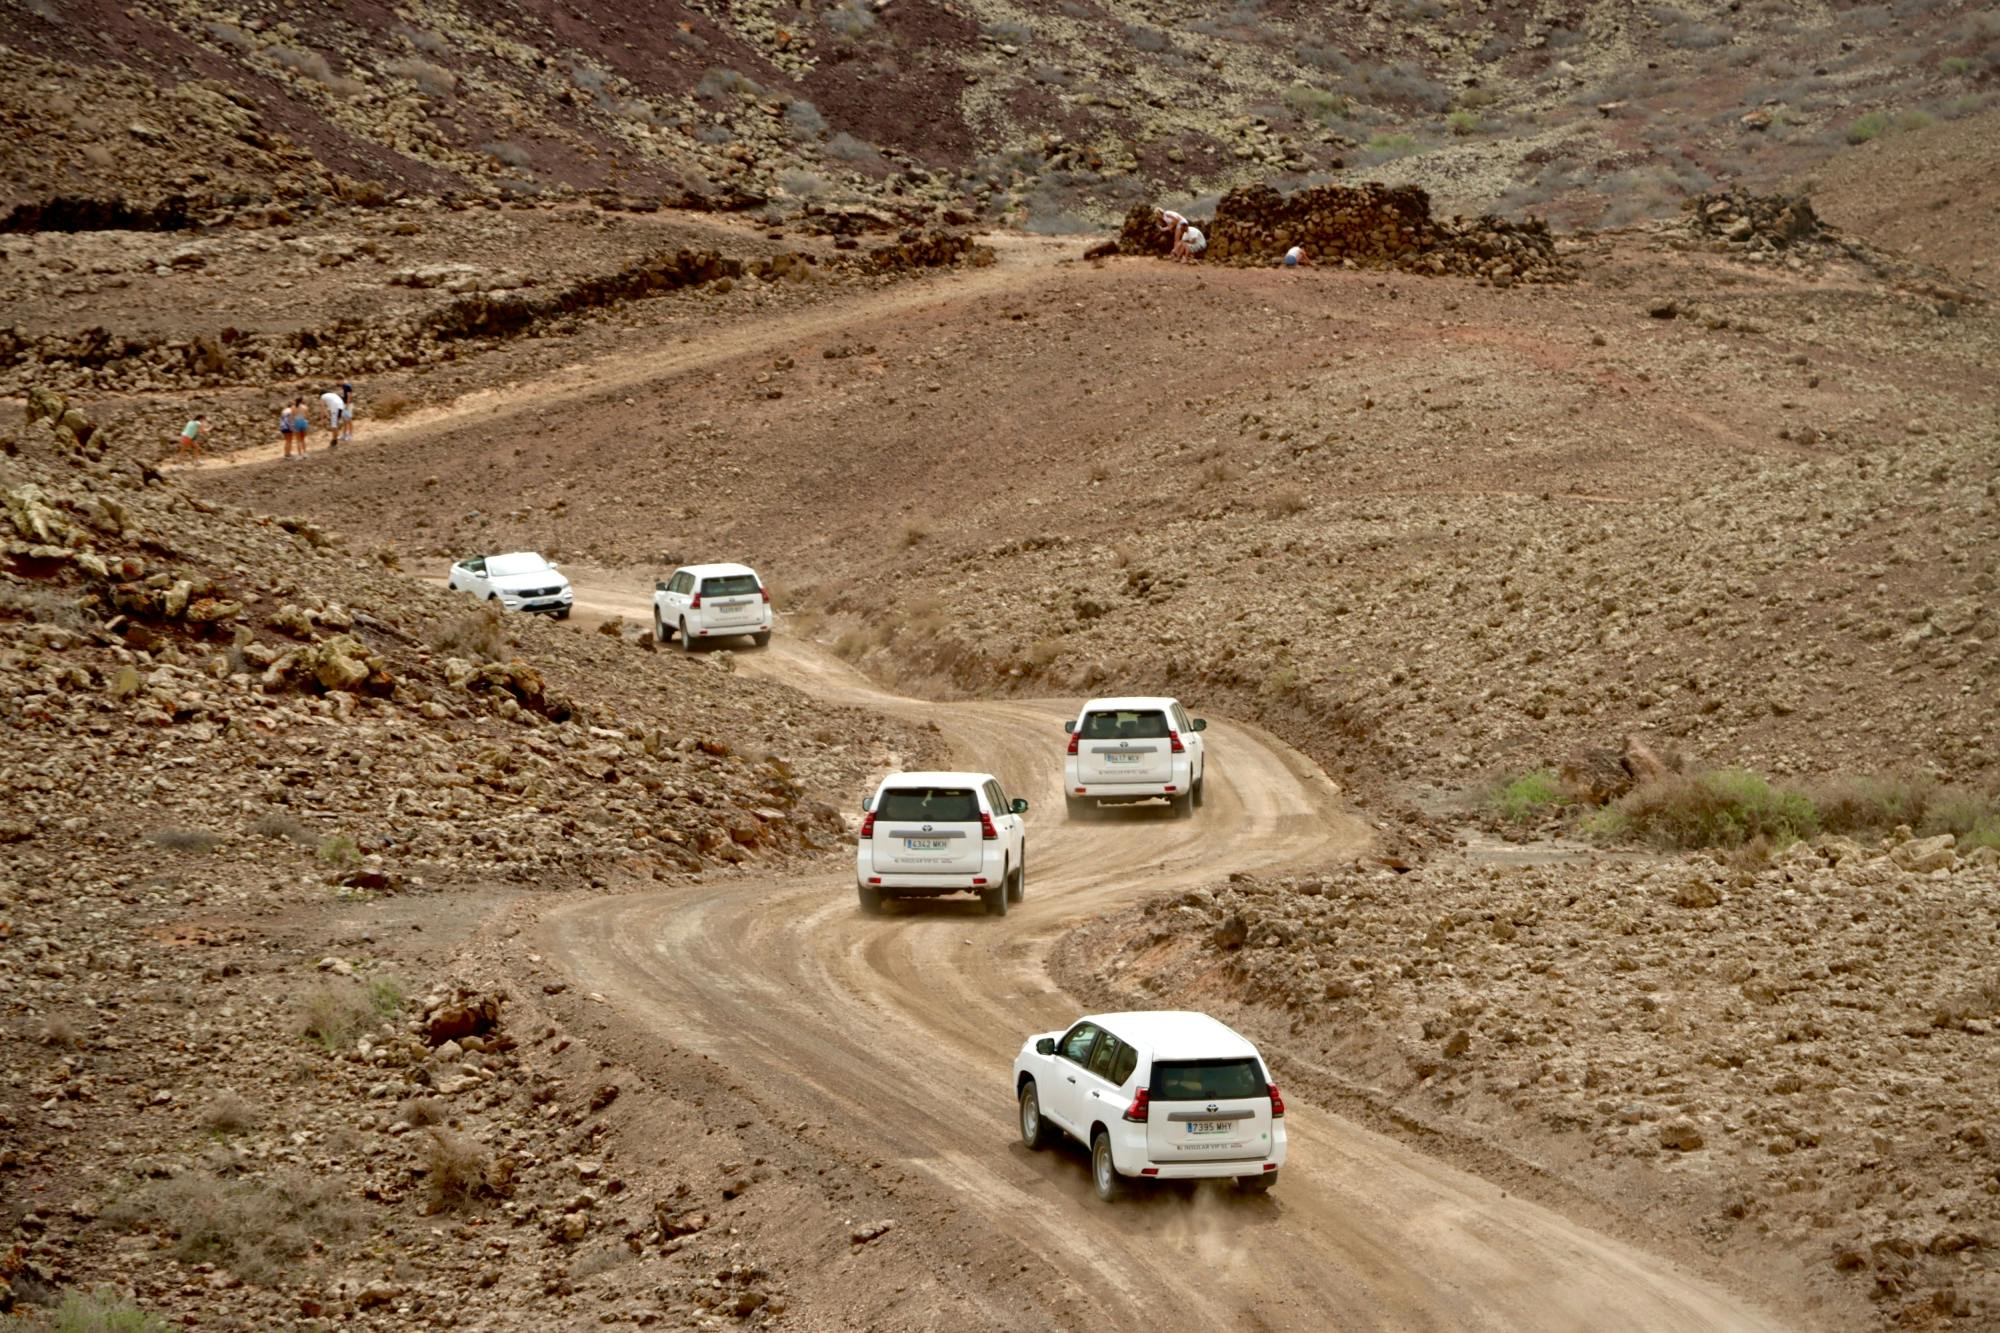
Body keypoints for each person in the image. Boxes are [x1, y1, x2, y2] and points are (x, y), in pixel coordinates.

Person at [337, 381, 356, 445]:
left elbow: (349, 396)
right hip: (344, 404)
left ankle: (350, 435)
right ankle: (344, 434)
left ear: (340, 380)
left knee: (349, 420)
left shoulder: (347, 386)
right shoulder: (343, 386)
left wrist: (347, 405)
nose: (337, 382)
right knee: (344, 420)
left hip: (348, 405)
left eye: (337, 381)